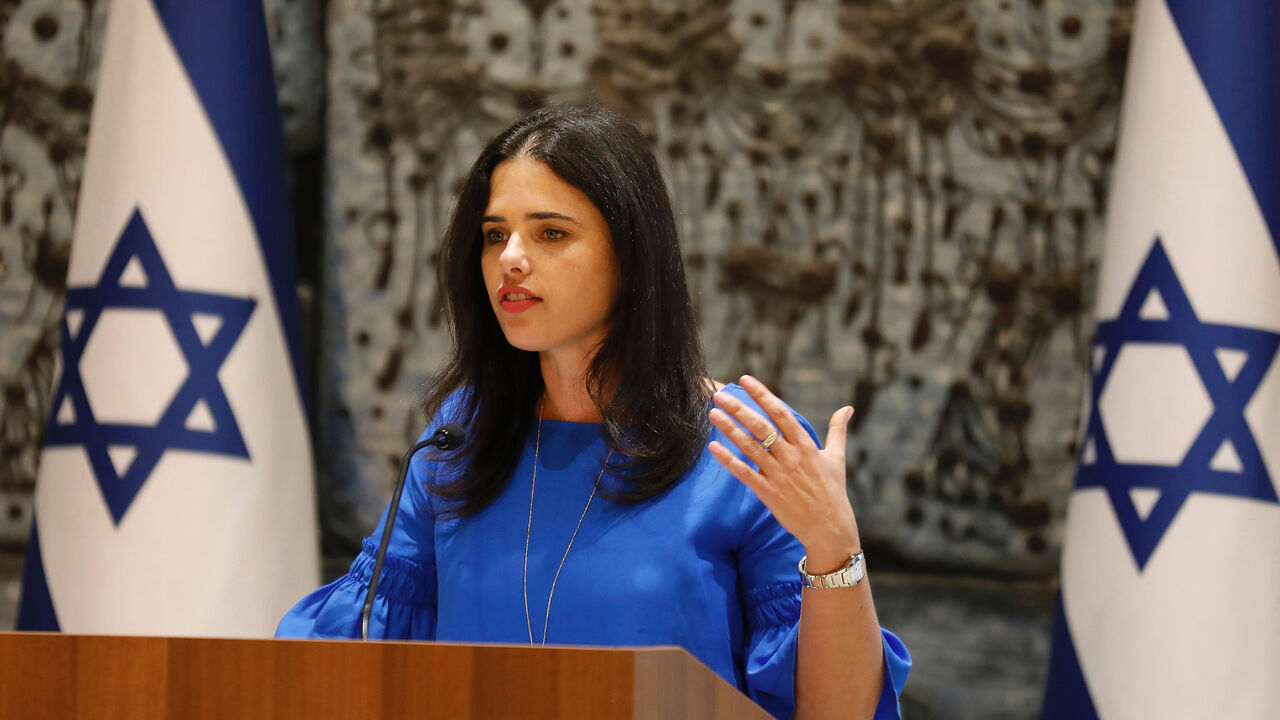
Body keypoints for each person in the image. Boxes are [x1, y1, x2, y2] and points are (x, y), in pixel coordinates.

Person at [277, 104, 911, 719]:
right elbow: (352, 661)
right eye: (496, 235)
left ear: (631, 255)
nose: (511, 258)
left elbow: (837, 714)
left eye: (551, 233)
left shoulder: (742, 443)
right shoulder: (460, 435)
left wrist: (834, 547)